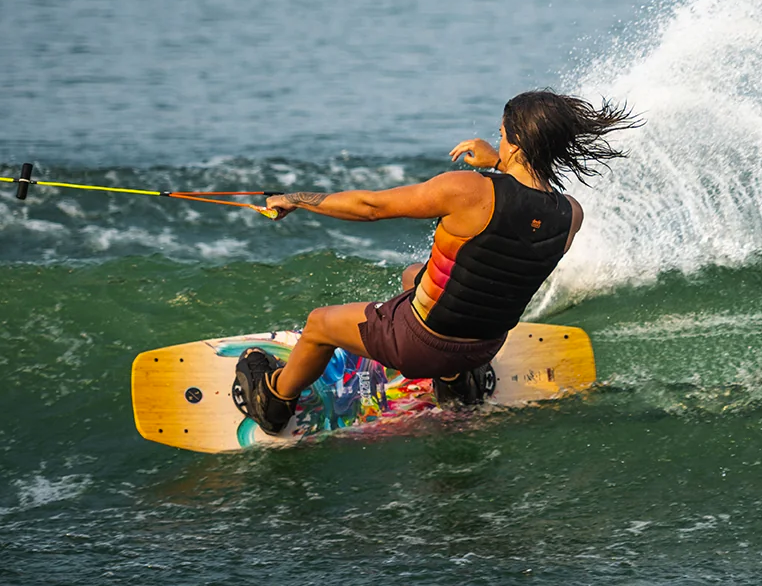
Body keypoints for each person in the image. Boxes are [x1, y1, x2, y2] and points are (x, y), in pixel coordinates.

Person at [234, 90, 637, 433]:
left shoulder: (467, 189)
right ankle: (456, 383)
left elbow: (371, 206)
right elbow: (515, 224)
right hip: (483, 346)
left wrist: (296, 199)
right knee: (415, 275)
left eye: (502, 136)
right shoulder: (571, 214)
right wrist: (499, 162)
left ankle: (274, 400)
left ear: (514, 143)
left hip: (419, 344)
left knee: (319, 323)